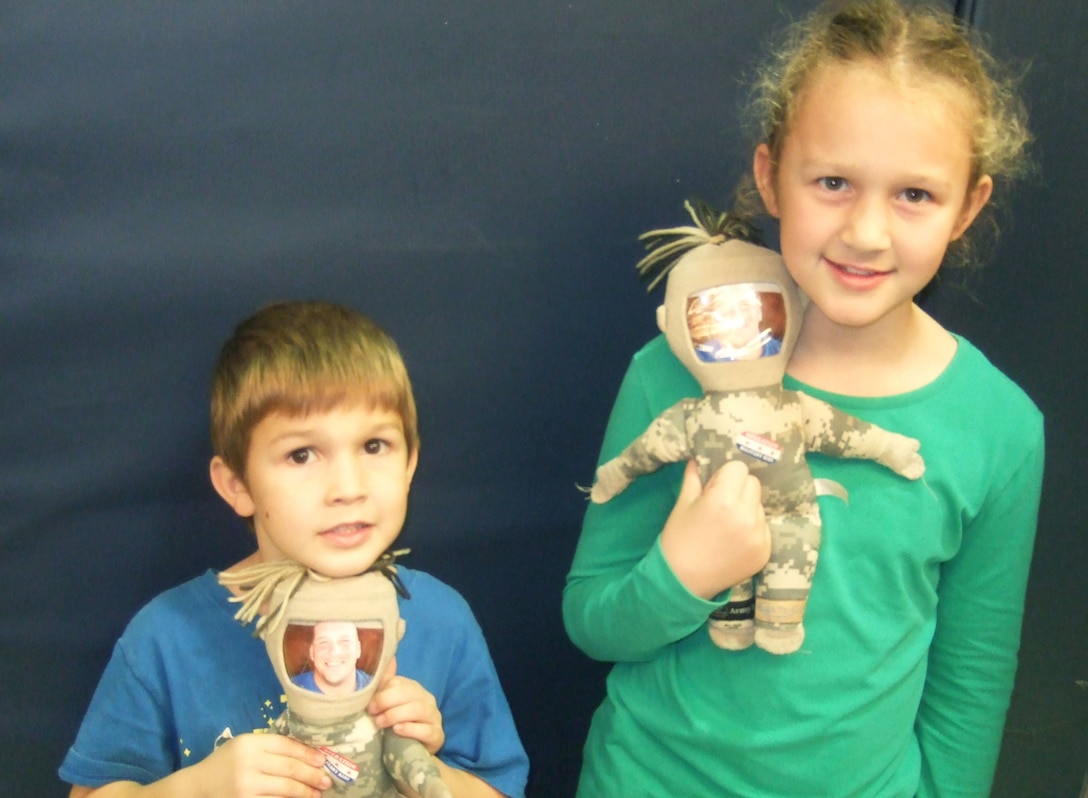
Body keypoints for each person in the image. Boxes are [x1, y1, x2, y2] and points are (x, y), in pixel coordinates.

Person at [563, 2, 1043, 796]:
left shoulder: (1001, 429)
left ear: (969, 207)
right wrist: (683, 575)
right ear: (770, 177)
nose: (866, 231)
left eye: (914, 195)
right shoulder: (671, 373)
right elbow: (591, 618)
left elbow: (973, 683)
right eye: (832, 181)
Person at [60, 300, 529, 798]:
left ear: (410, 463)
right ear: (238, 483)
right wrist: (198, 788)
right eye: (301, 454)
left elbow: (495, 789)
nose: (347, 487)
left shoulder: (443, 620)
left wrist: (425, 769)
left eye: (374, 446)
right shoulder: (167, 635)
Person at [291, 621, 371, 696]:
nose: (334, 652)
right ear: (312, 652)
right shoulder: (288, 690)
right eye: (323, 642)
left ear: (358, 649)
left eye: (345, 641)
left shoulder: (376, 690)